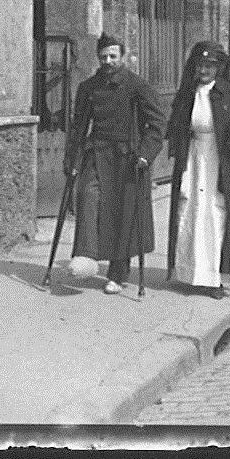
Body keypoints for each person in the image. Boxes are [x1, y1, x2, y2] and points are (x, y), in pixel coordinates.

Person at [165, 41, 230, 298]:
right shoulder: (187, 92)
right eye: (200, 64)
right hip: (192, 157)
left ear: (219, 68)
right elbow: (175, 124)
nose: (204, 70)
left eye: (210, 65)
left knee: (215, 212)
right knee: (188, 209)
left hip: (220, 161)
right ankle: (189, 273)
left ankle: (214, 279)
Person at [62, 32, 165, 294]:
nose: (107, 61)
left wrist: (145, 154)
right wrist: (72, 159)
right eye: (103, 56)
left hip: (127, 157)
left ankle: (118, 274)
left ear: (123, 57)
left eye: (113, 56)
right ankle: (86, 257)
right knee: (87, 197)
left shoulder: (137, 86)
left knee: (123, 212)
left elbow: (156, 124)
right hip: (97, 153)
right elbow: (78, 127)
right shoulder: (89, 87)